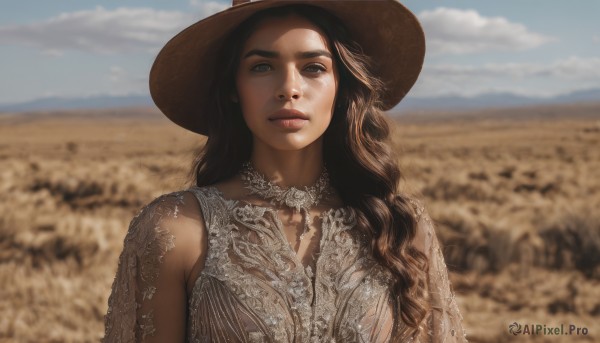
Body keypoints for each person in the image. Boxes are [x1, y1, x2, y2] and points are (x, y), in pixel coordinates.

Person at [103, 1, 468, 342]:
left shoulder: (400, 226)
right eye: (262, 66)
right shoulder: (174, 228)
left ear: (342, 87)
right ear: (233, 87)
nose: (288, 89)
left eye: (314, 68)